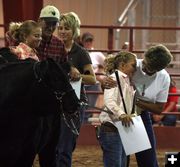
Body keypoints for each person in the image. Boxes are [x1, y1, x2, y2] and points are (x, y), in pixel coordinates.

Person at [102, 44, 173, 167]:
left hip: (140, 114)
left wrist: (134, 100)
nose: (143, 68)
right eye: (144, 63)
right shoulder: (131, 64)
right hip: (120, 115)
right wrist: (105, 83)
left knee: (147, 159)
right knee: (121, 159)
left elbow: (159, 108)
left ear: (159, 69)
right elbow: (110, 89)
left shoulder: (164, 78)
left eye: (149, 67)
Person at [56, 12, 96, 167]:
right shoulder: (54, 49)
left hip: (73, 105)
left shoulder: (80, 53)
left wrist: (78, 75)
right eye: (60, 28)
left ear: (74, 30)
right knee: (54, 146)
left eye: (67, 28)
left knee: (65, 146)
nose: (63, 31)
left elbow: (91, 78)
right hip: (54, 103)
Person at [98, 51, 137, 167]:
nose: (135, 68)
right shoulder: (115, 78)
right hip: (113, 128)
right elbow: (109, 101)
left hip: (119, 128)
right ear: (123, 65)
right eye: (133, 65)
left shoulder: (124, 79)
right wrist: (122, 114)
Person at [81, 32, 106, 112]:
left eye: (90, 41)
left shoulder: (97, 54)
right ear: (82, 42)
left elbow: (108, 63)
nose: (88, 43)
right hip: (82, 84)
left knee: (89, 108)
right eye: (86, 41)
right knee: (81, 107)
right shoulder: (80, 52)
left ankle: (86, 124)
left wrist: (101, 76)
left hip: (93, 84)